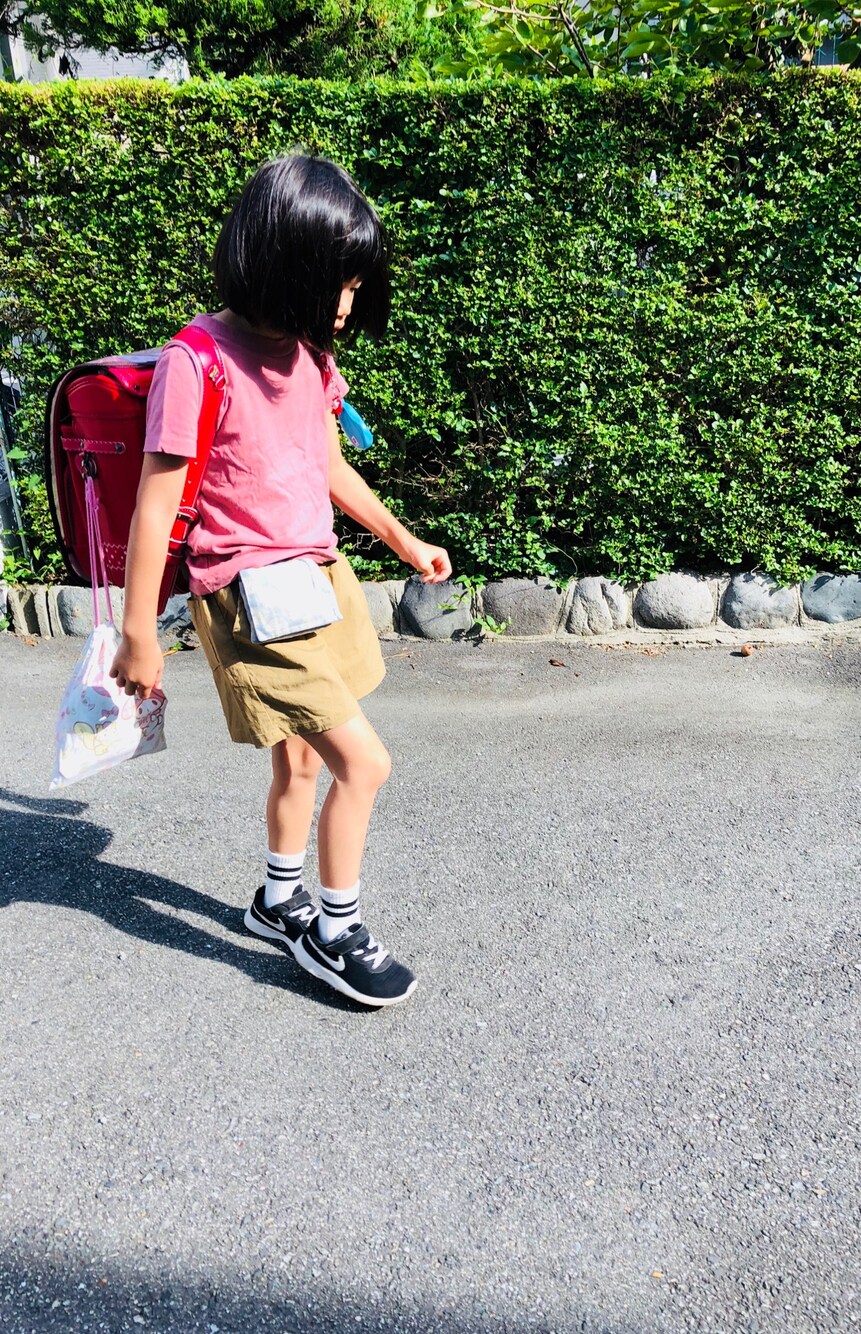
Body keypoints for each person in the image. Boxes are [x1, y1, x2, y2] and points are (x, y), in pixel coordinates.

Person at [109, 154, 451, 1008]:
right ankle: (335, 933)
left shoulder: (308, 356)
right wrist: (139, 632)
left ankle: (278, 898)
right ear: (281, 262)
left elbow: (324, 460)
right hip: (248, 596)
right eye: (335, 285)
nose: (344, 305)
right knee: (364, 764)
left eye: (353, 288)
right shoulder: (198, 360)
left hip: (315, 580)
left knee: (301, 761)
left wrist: (399, 536)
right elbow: (155, 509)